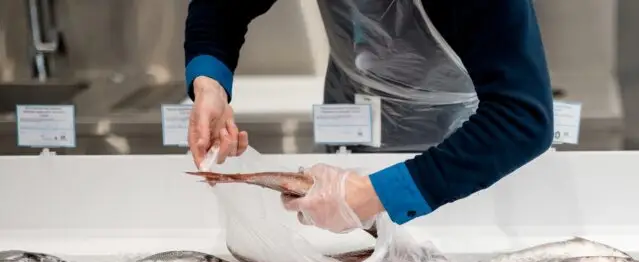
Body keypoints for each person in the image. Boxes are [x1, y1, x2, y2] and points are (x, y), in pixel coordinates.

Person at [184, 0, 555, 234]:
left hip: (470, 149)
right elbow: (220, 7)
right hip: (351, 111)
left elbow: (520, 117)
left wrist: (376, 194)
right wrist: (210, 81)